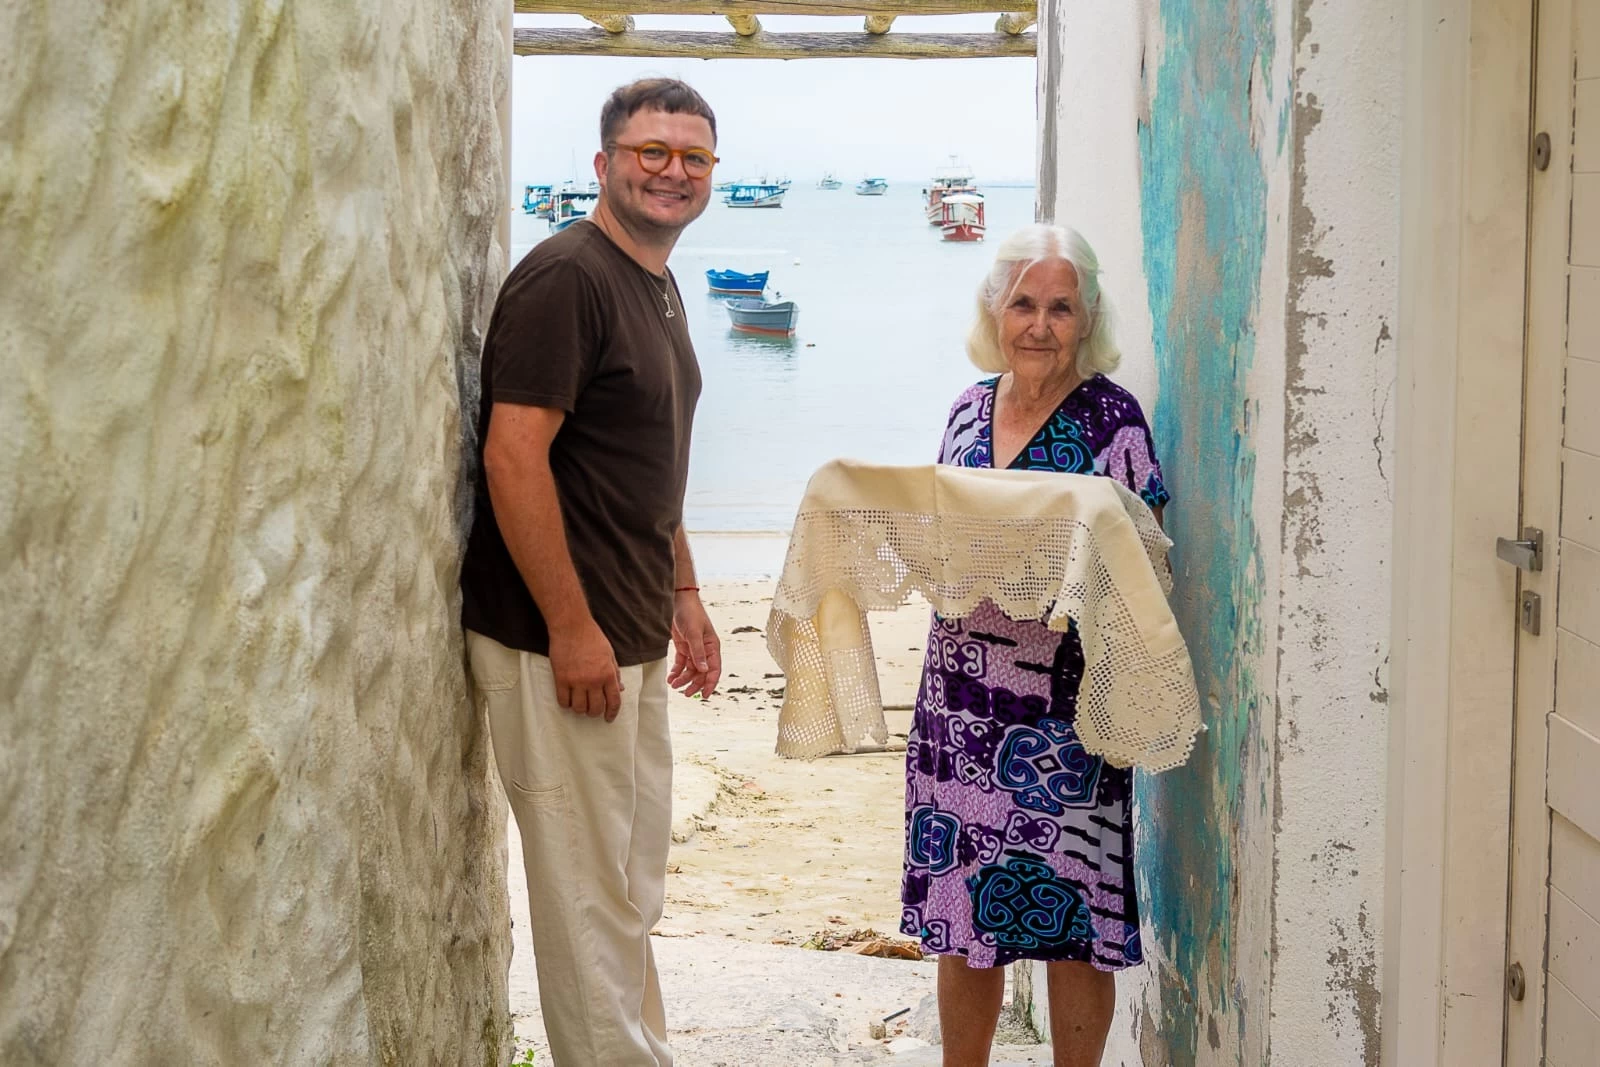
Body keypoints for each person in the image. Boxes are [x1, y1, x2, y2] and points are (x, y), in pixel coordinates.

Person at [460, 78, 723, 1067]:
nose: (671, 171)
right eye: (651, 151)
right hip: (558, 641)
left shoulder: (651, 281)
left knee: (624, 884)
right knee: (586, 889)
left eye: (692, 157)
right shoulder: (567, 277)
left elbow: (644, 457)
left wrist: (683, 591)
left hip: (630, 624)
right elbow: (511, 456)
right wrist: (572, 627)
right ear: (604, 164)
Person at [899, 224, 1169, 1067]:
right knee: (961, 914)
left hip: (1066, 716)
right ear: (996, 310)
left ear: (1086, 319)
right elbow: (940, 532)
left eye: (1061, 306)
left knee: (1075, 921)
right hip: (959, 711)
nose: (1040, 324)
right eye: (1023, 303)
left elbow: (1148, 560)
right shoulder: (967, 410)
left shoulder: (1111, 418)